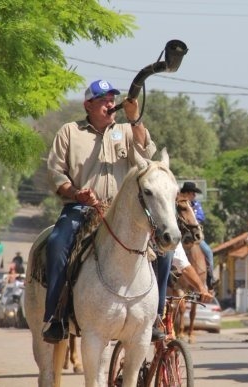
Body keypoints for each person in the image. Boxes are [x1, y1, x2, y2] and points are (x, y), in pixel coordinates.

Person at [43, 79, 157, 343]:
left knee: (163, 248)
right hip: (81, 208)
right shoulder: (70, 131)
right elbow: (55, 173)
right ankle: (56, 316)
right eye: (103, 99)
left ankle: (156, 316)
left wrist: (135, 119)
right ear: (88, 105)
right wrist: (75, 193)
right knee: (57, 244)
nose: (109, 103)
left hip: (120, 214)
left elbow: (147, 156)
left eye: (111, 99)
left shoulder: (126, 131)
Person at [152, 242, 213, 341]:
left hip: (194, 236)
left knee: (208, 252)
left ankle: (210, 278)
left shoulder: (174, 238)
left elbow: (184, 266)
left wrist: (202, 289)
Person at [179, 182, 215, 290]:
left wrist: (192, 221)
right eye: (193, 193)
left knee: (208, 251)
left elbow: (201, 217)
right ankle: (169, 278)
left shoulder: (196, 204)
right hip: (180, 234)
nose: (194, 196)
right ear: (187, 193)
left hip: (194, 234)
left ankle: (210, 278)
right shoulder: (177, 203)